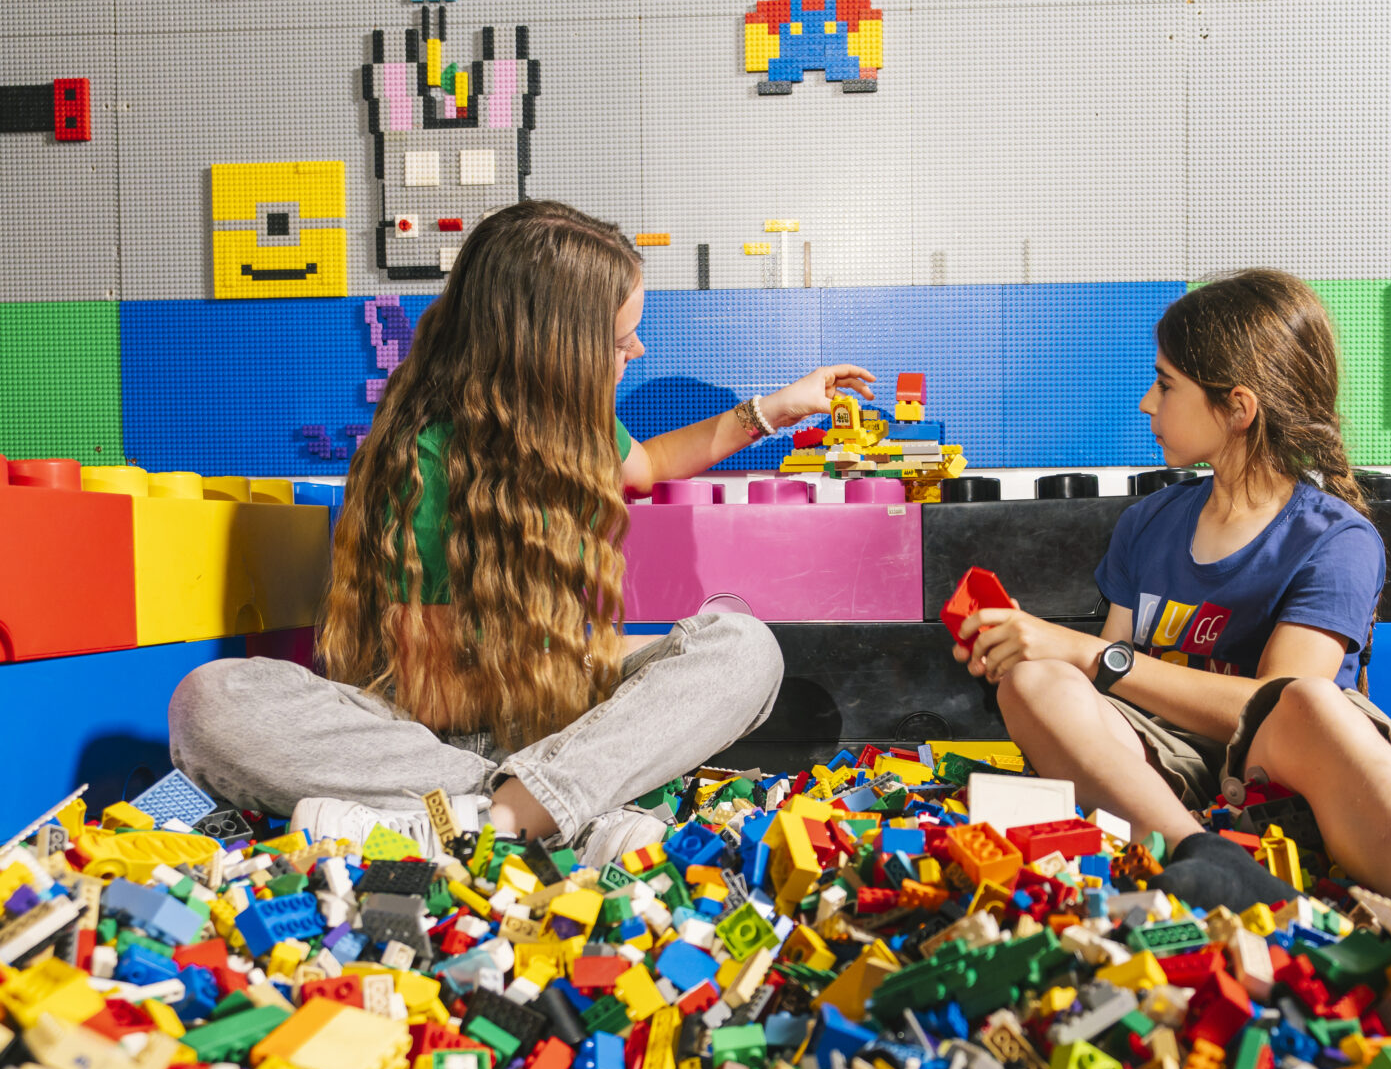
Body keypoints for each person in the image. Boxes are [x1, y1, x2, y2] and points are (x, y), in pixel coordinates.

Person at [168, 200, 875, 865]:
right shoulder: (426, 459)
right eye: (619, 337)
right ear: (550, 349)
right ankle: (538, 812)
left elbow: (649, 463)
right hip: (444, 720)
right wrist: (574, 675)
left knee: (743, 647)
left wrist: (773, 409)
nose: (638, 348)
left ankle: (495, 814)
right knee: (209, 704)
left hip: (552, 704)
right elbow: (446, 689)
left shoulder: (571, 429)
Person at [950, 268, 1391, 938]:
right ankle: (1201, 855)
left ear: (1238, 407)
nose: (1144, 403)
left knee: (1300, 697)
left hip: (1296, 768)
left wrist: (1090, 654)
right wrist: (1027, 645)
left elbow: (1264, 703)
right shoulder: (1148, 523)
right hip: (1168, 770)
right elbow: (1108, 690)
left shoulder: (1332, 538)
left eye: (1164, 385)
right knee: (1034, 681)